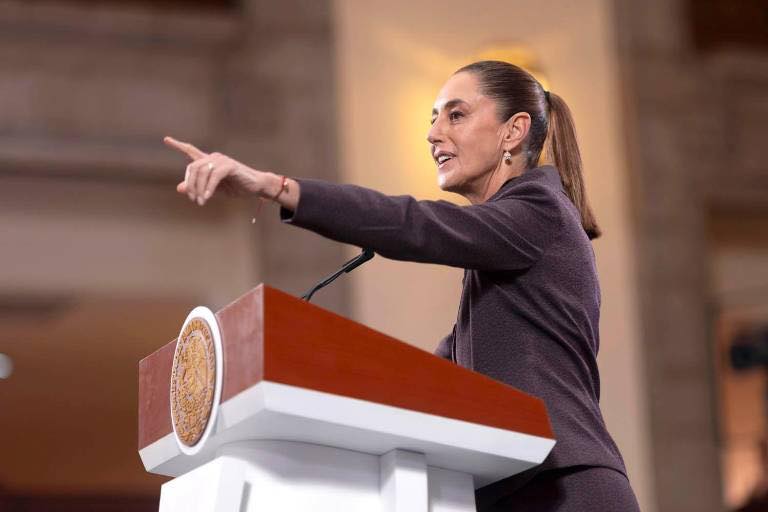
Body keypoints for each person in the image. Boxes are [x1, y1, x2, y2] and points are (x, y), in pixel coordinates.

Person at [164, 60, 640, 511]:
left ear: (513, 131)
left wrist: (276, 186)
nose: (433, 134)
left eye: (456, 115)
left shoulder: (540, 210)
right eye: (434, 119)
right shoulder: (505, 251)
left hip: (565, 490)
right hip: (510, 491)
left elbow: (415, 223)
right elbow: (433, 381)